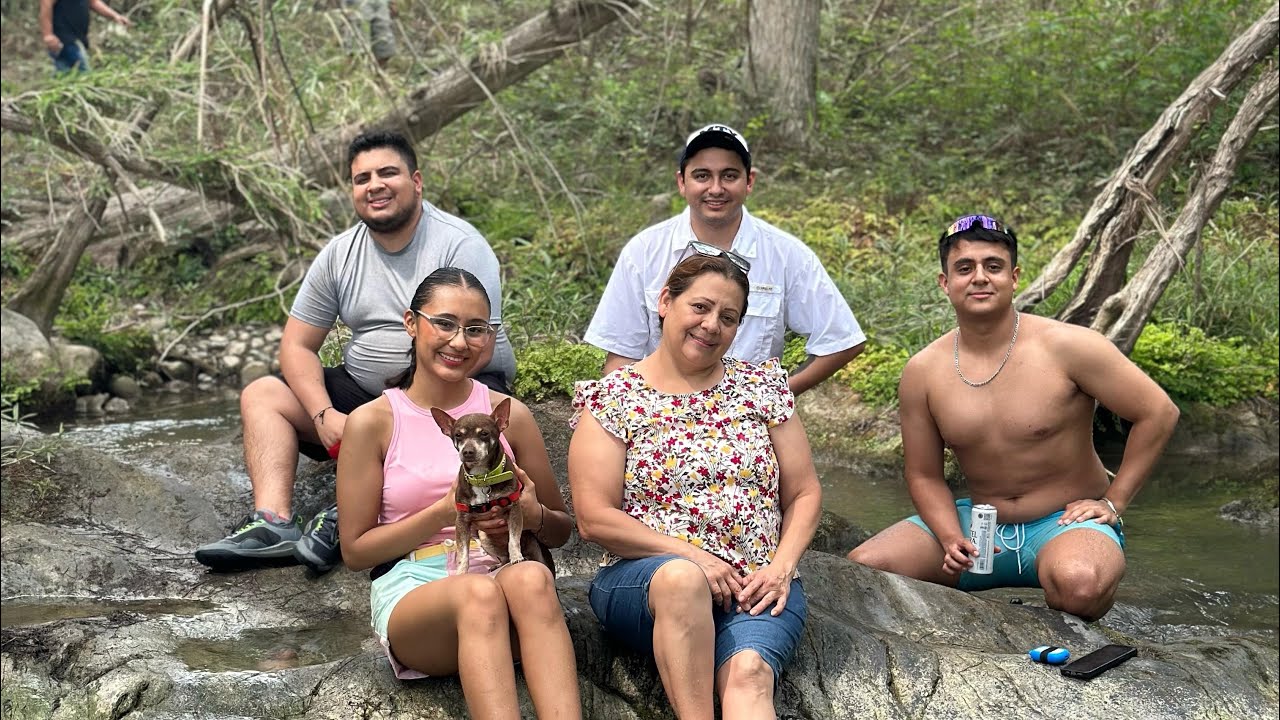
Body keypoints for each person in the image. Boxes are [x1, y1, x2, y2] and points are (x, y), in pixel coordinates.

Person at [195, 130, 516, 574]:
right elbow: (297, 344)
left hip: (454, 385)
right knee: (263, 394)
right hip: (365, 394)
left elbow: (472, 341)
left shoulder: (459, 245)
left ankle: (347, 514)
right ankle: (272, 522)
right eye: (362, 178)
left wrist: (391, 417)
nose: (374, 185)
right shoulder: (339, 254)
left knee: (436, 400)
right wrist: (324, 414)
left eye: (387, 173)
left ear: (416, 181)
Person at [847, 214, 1180, 621]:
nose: (980, 278)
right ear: (945, 282)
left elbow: (1158, 412)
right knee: (865, 569)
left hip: (1065, 522)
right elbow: (924, 475)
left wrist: (1114, 501)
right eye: (965, 268)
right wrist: (950, 538)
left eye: (993, 266)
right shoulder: (923, 371)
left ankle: (1076, 572)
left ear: (1014, 277)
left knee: (1080, 585)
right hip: (978, 528)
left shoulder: (1069, 347)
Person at [570, 252, 823, 719]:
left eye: (728, 317)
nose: (711, 325)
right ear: (666, 301)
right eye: (700, 307)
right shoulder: (614, 398)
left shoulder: (761, 387)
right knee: (682, 579)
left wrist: (781, 568)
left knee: (750, 675)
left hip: (754, 583)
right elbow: (593, 518)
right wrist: (695, 557)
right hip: (647, 584)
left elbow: (804, 492)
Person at [337, 267, 580, 717]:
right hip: (417, 590)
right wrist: (443, 512)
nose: (459, 341)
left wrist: (534, 516)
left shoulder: (508, 414)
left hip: (503, 576)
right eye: (444, 323)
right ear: (411, 323)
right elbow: (354, 551)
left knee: (532, 579)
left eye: (475, 329)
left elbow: (561, 530)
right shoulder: (372, 421)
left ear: (490, 337)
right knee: (477, 593)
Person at [584, 123, 865, 396]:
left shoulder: (787, 255)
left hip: (748, 421)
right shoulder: (644, 252)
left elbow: (842, 340)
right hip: (659, 413)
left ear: (749, 181)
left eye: (729, 176)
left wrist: (773, 400)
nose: (716, 188)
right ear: (682, 182)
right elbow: (620, 354)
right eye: (702, 176)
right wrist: (636, 412)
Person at [39, 0, 130, 73]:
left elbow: (93, 2)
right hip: (65, 38)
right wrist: (48, 35)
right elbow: (46, 4)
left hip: (78, 37)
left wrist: (115, 16)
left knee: (65, 76)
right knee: (84, 75)